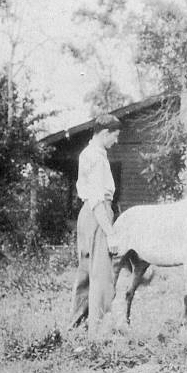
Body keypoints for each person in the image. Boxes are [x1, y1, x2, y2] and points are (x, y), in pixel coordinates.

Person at [69, 113, 122, 333]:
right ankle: (98, 332)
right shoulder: (95, 157)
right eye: (115, 136)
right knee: (100, 274)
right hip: (97, 214)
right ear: (104, 133)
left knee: (85, 272)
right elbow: (97, 199)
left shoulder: (90, 154)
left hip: (87, 215)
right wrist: (110, 233)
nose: (116, 141)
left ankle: (75, 327)